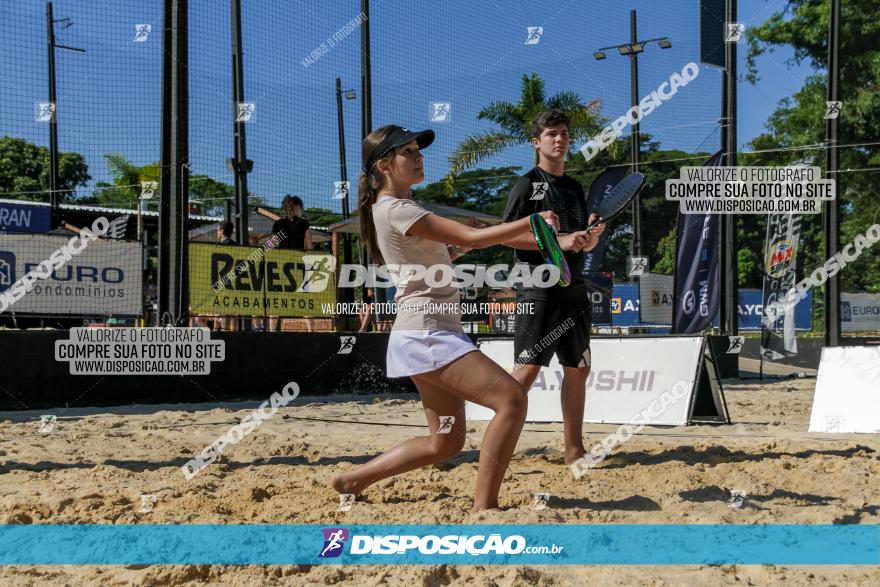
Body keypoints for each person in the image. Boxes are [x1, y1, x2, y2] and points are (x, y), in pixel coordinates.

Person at [330, 125, 560, 512]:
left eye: (419, 150)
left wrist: (559, 239)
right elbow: (472, 238)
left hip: (426, 331)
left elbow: (447, 253)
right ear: (385, 164)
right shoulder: (398, 208)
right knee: (512, 400)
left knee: (446, 442)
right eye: (409, 152)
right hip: (427, 333)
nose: (420, 157)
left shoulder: (392, 210)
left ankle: (353, 479)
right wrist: (532, 222)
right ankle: (485, 507)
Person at [502, 110, 606, 467]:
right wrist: (559, 241)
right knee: (527, 370)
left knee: (578, 368)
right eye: (551, 134)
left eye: (563, 133)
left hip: (573, 286)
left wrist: (590, 239)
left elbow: (578, 243)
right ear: (536, 142)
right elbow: (510, 236)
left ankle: (573, 449)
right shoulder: (527, 184)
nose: (559, 139)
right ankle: (497, 449)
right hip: (538, 288)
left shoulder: (574, 187)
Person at [271, 195, 313, 331]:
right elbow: (309, 248)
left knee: (277, 300)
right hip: (299, 264)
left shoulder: (278, 224)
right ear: (298, 208)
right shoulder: (304, 224)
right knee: (305, 301)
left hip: (282, 265)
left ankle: (271, 333)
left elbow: (271, 245)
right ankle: (311, 332)